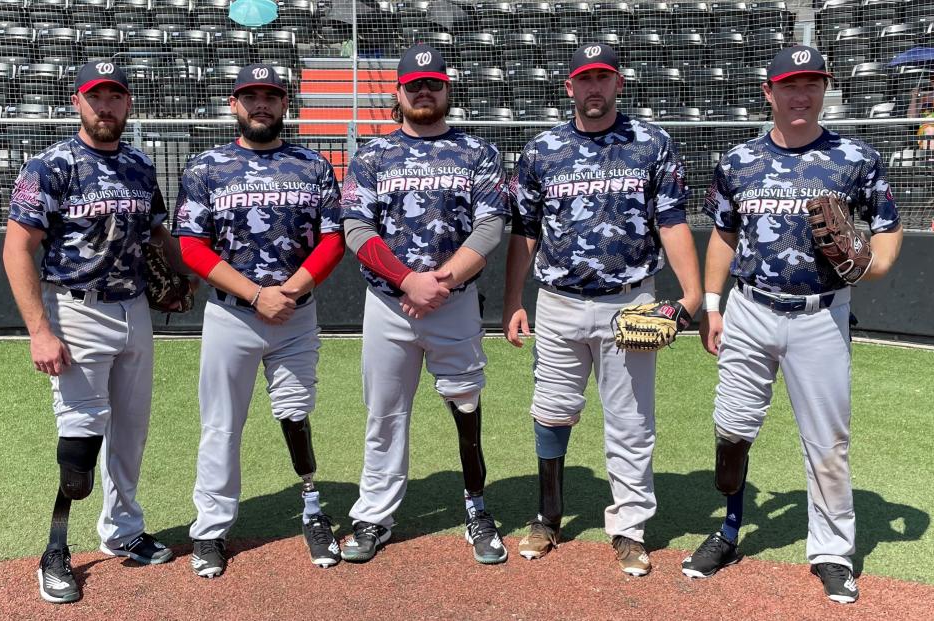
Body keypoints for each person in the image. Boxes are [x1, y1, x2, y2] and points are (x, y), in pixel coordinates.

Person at [681, 46, 902, 605]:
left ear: (824, 89)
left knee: (828, 441)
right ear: (768, 92)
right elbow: (725, 237)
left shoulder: (856, 157)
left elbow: (888, 226)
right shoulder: (738, 161)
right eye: (789, 85)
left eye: (812, 84)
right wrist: (712, 306)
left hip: (821, 315)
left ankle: (831, 551)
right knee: (731, 431)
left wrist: (873, 265)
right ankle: (730, 530)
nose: (801, 95)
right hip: (749, 309)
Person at [502, 43, 702, 576]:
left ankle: (630, 527)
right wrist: (513, 303)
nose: (595, 88)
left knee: (632, 422)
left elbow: (673, 219)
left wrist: (693, 293)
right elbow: (524, 231)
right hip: (559, 302)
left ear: (618, 83)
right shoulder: (542, 149)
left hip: (631, 302)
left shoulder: (651, 141)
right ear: (569, 87)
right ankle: (548, 514)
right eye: (584, 79)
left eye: (604, 78)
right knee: (551, 410)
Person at [3, 61, 185, 604]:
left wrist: (184, 273)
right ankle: (55, 550)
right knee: (80, 444)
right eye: (95, 96)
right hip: (75, 308)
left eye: (115, 96)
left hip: (134, 310)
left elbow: (157, 233)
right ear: (77, 103)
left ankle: (123, 531)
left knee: (130, 432)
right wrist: (39, 329)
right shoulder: (51, 165)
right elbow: (17, 249)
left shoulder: (138, 162)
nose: (105, 106)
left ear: (128, 103)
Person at [338, 43, 510, 565]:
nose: (424, 91)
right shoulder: (372, 154)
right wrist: (409, 280)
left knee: (466, 410)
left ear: (447, 90)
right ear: (398, 92)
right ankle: (374, 515)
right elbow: (355, 227)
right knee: (384, 415)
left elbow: (490, 225)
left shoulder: (477, 152)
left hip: (452, 302)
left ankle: (477, 508)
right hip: (389, 304)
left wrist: (440, 280)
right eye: (415, 85)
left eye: (433, 83)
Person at [173, 64, 345, 577]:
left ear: (284, 105)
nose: (260, 104)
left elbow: (332, 238)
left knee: (295, 413)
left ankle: (313, 508)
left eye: (270, 96)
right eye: (250, 96)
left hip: (294, 312)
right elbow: (190, 245)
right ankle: (210, 528)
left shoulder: (313, 165)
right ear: (234, 104)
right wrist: (255, 294)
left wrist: (289, 290)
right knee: (221, 425)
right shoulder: (207, 167)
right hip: (232, 316)